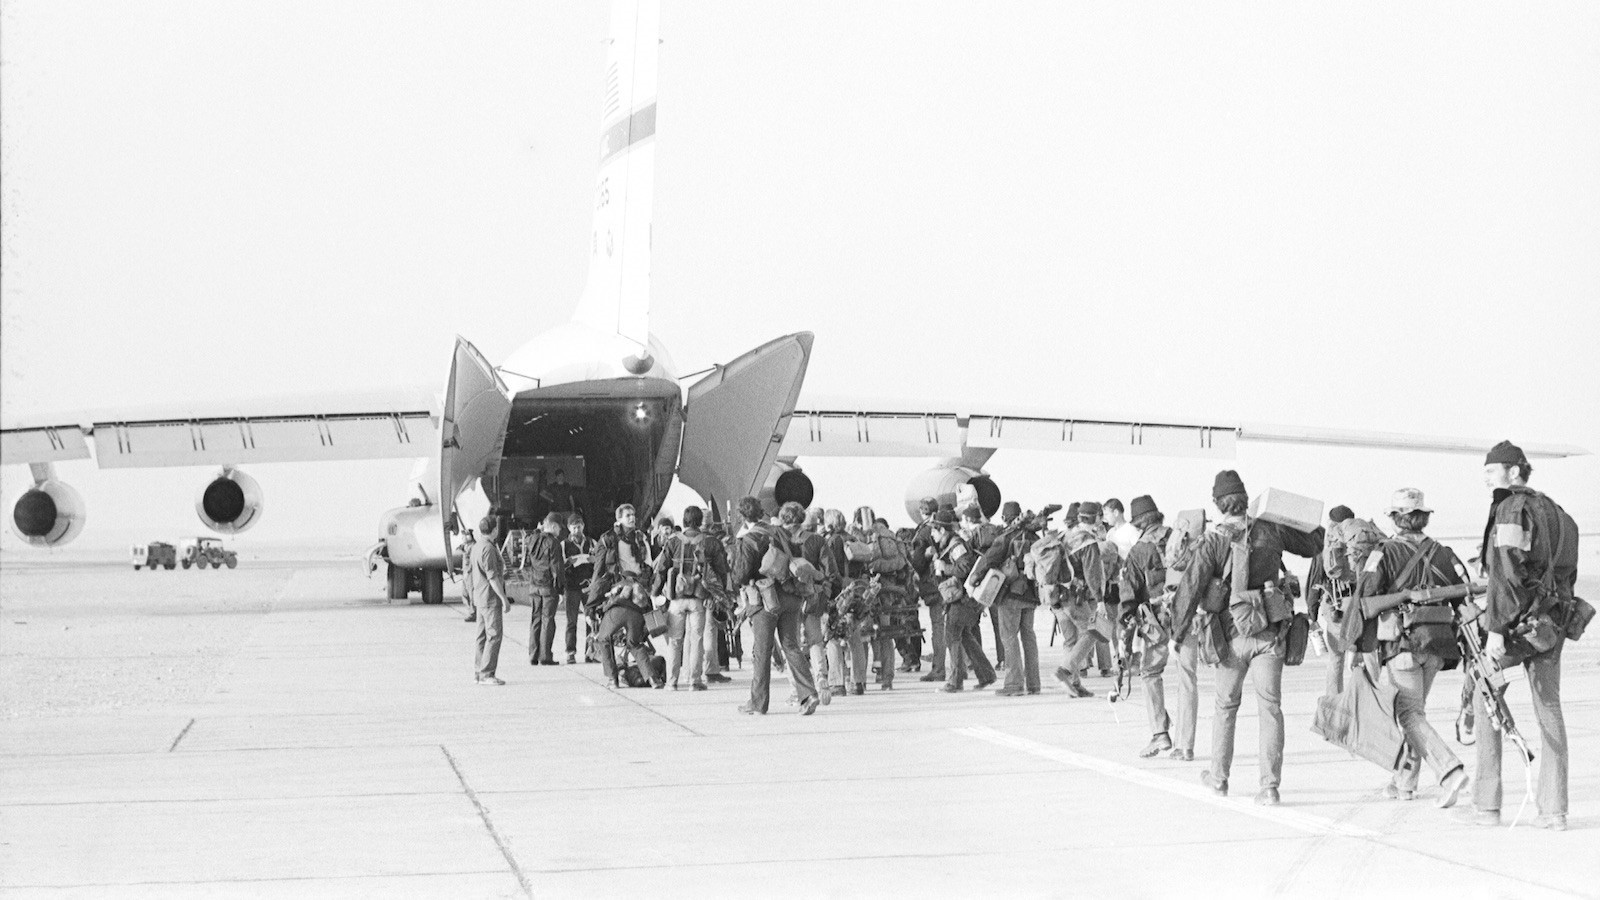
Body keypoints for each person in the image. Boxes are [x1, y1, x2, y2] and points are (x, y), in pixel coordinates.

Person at [1179, 470, 1323, 806]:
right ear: (1245, 500)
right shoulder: (1270, 529)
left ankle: (1219, 779)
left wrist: (1177, 632)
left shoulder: (1213, 540)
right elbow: (1314, 543)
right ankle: (1269, 787)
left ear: (1218, 504)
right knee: (1270, 708)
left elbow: (1191, 586)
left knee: (1225, 707)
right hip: (1269, 634)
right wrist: (1283, 512)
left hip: (1229, 638)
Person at [1471, 441, 1578, 831]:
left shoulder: (1511, 508)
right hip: (1552, 623)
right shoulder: (1561, 514)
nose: (1485, 478)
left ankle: (1487, 804)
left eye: (1491, 470)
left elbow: (1507, 572)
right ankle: (1554, 811)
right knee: (1549, 707)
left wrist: (1496, 629)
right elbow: (1567, 575)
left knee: (1484, 692)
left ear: (1513, 471)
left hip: (1515, 625)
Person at [1340, 488, 1470, 808]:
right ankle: (1404, 783)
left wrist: (1354, 644)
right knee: (1414, 714)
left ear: (1396, 518)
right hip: (1437, 645)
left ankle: (1449, 771)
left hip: (1403, 645)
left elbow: (1364, 599)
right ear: (1423, 517)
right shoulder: (1444, 553)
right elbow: (1463, 595)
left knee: (1408, 714)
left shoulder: (1382, 552)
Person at [734, 498, 820, 715]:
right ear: (761, 512)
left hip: (766, 600)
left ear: (742, 517)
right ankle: (809, 694)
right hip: (791, 596)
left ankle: (758, 703)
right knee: (791, 645)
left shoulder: (749, 539)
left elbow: (741, 574)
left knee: (762, 651)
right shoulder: (781, 532)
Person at [1118, 495, 1174, 758]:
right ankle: (1185, 741)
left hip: (1158, 620)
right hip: (1188, 615)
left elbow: (1129, 594)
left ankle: (1160, 734)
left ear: (1138, 523)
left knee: (1150, 672)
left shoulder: (1138, 551)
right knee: (1188, 677)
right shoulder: (1178, 537)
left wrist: (1125, 625)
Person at [652, 505, 730, 691]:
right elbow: (721, 571)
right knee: (697, 639)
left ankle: (672, 682)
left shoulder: (673, 541)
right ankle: (694, 681)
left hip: (676, 599)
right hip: (699, 599)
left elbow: (661, 569)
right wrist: (717, 596)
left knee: (675, 641)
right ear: (700, 521)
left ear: (684, 521)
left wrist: (655, 593)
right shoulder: (711, 542)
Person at [587, 503, 663, 688]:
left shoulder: (635, 538)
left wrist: (590, 606)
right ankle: (653, 679)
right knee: (634, 642)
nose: (632, 518)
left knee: (603, 638)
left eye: (633, 514)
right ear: (618, 518)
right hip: (638, 598)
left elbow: (598, 574)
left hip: (620, 596)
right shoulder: (614, 539)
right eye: (627, 515)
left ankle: (612, 678)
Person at [975, 501, 1043, 697]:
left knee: (1009, 637)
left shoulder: (1006, 537)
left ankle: (1014, 683)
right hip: (1031, 594)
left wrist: (975, 578)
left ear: (1005, 518)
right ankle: (1034, 684)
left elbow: (989, 559)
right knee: (1029, 637)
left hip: (1010, 594)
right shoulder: (1034, 536)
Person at [929, 509, 994, 691]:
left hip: (961, 599)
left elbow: (964, 568)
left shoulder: (956, 545)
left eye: (934, 530)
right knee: (965, 637)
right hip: (963, 598)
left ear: (942, 530)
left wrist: (945, 567)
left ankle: (955, 681)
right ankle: (986, 675)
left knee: (952, 636)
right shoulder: (951, 544)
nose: (932, 534)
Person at [1051, 503, 1105, 698]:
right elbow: (1092, 574)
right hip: (1076, 597)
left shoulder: (1065, 535)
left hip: (1059, 596)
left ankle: (1074, 684)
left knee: (1071, 640)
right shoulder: (1087, 541)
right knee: (1093, 631)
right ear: (1095, 517)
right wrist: (1100, 599)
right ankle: (1065, 670)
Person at [959, 504, 1006, 669]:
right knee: (998, 623)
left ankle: (974, 660)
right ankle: (1003, 659)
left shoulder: (971, 536)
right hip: (995, 580)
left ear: (968, 519)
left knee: (972, 623)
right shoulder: (993, 531)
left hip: (978, 582)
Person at [468, 515, 513, 685]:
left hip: (479, 597)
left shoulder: (477, 546)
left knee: (481, 636)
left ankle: (478, 672)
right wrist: (504, 598)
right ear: (494, 530)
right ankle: (487, 674)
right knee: (494, 635)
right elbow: (492, 577)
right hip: (490, 598)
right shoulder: (488, 549)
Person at [909, 497, 947, 683]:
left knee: (938, 627)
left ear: (921, 512)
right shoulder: (944, 527)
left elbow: (917, 562)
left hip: (933, 585)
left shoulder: (923, 532)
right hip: (949, 583)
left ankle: (939, 669)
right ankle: (961, 667)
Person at [521, 512, 567, 665]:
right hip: (548, 587)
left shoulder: (533, 538)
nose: (560, 531)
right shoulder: (554, 543)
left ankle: (533, 655)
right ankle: (545, 656)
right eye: (559, 527)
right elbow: (557, 568)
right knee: (547, 620)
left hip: (534, 586)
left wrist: (538, 529)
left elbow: (527, 538)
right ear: (553, 526)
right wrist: (560, 590)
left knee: (535, 619)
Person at [561, 513, 595, 664]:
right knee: (571, 621)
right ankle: (570, 652)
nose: (577, 530)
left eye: (579, 527)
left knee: (592, 620)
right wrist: (570, 561)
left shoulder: (591, 542)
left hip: (588, 586)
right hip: (572, 587)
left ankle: (591, 652)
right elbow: (559, 564)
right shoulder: (564, 545)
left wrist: (592, 559)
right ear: (569, 528)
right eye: (574, 527)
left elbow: (599, 560)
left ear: (583, 526)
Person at [459, 529, 478, 623]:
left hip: (470, 572)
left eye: (466, 535)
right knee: (464, 593)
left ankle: (473, 613)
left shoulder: (473, 546)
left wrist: (468, 571)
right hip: (465, 572)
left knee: (471, 593)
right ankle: (471, 610)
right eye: (463, 536)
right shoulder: (466, 546)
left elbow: (473, 560)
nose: (464, 538)